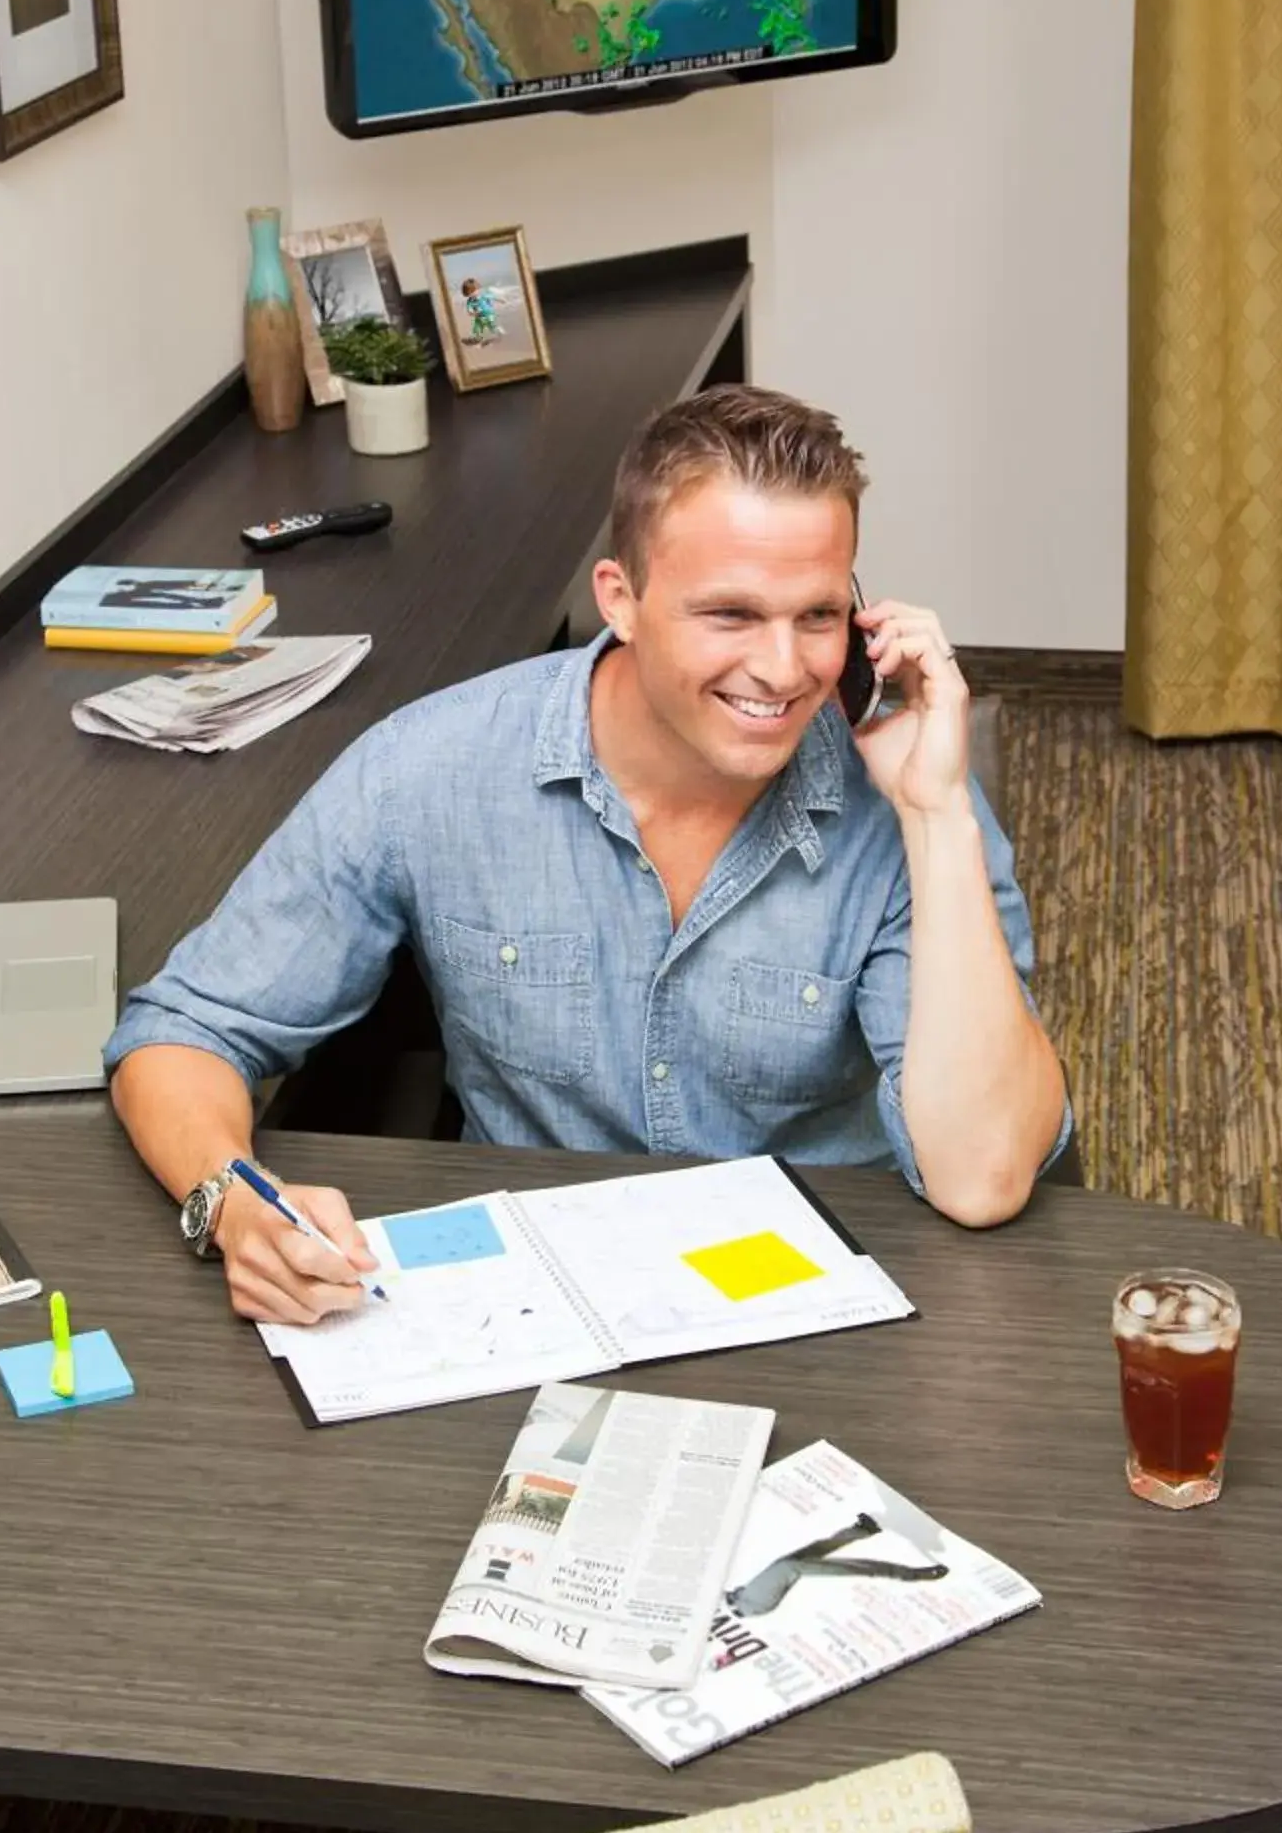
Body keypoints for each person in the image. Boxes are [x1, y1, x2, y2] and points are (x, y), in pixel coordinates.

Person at [108, 384, 1070, 1324]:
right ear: (622, 598)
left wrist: (939, 813)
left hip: (826, 1303)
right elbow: (181, 1032)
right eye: (730, 615)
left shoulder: (909, 796)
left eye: (817, 616)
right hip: (539, 1310)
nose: (784, 670)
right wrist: (233, 1203)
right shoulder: (431, 769)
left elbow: (984, 1177)